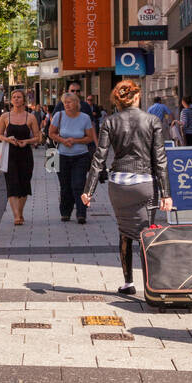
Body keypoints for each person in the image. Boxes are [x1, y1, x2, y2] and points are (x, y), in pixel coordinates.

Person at [82, 79, 174, 296]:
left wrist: (89, 190)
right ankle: (152, 284)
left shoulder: (110, 122)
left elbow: (99, 157)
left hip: (119, 185)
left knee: (124, 232)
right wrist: (166, 194)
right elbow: (160, 160)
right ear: (137, 96)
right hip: (144, 183)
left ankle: (128, 283)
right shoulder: (152, 120)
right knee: (147, 232)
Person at [49, 91, 96, 224]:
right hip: (62, 155)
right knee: (65, 186)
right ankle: (65, 212)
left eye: (69, 102)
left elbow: (89, 137)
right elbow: (51, 133)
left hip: (81, 156)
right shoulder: (59, 115)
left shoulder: (85, 118)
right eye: (64, 102)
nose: (66, 105)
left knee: (78, 184)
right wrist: (63, 140)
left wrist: (75, 140)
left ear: (76, 103)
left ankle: (81, 213)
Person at [0, 88, 39, 225]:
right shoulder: (5, 117)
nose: (16, 99)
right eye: (14, 97)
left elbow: (38, 137)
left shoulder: (30, 117)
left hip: (25, 154)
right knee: (12, 184)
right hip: (9, 154)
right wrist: (8, 139)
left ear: (24, 100)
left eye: (19, 97)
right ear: (11, 100)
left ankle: (20, 212)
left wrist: (27, 141)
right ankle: (16, 216)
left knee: (24, 184)